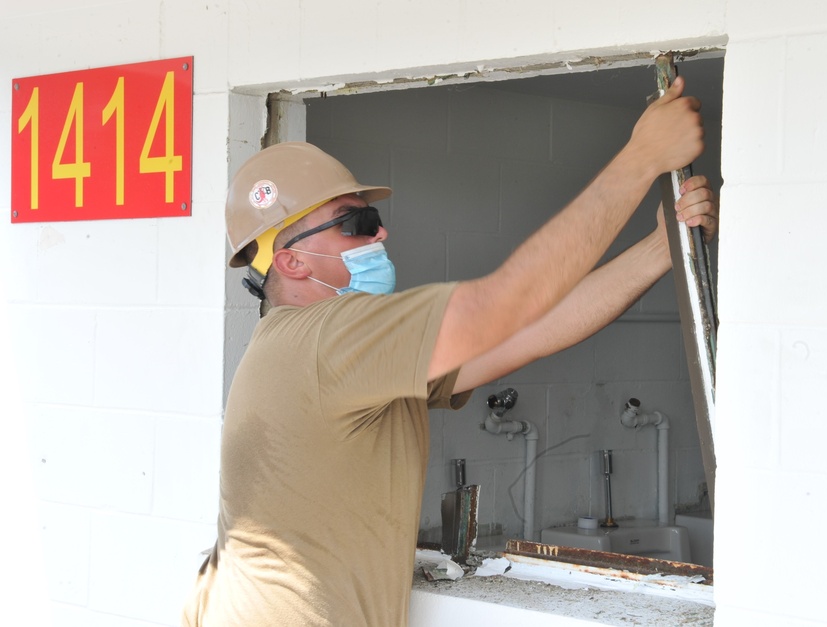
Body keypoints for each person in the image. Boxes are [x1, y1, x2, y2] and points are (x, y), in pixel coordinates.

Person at [182, 77, 717, 627]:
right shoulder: (327, 337)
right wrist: (641, 158)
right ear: (292, 262)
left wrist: (662, 246)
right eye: (357, 224)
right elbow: (505, 303)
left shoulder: (338, 355)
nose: (381, 232)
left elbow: (532, 331)